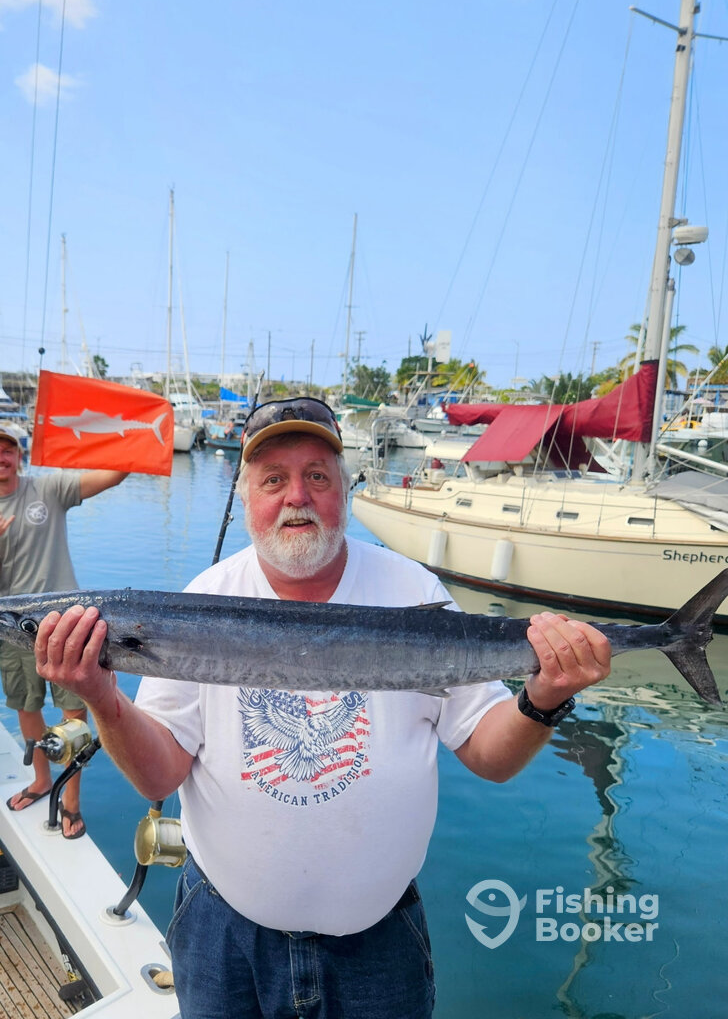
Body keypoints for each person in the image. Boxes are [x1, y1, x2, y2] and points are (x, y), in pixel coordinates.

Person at [33, 397, 612, 1015]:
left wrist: (544, 696)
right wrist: (99, 694)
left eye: (316, 476)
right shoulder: (205, 597)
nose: (296, 497)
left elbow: (490, 757)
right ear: (248, 494)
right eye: (274, 480)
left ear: (345, 487)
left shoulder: (414, 591)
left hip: (378, 947)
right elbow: (159, 774)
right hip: (223, 938)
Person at [0, 422, 128, 839]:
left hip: (70, 623)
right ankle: (40, 780)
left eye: (7, 450)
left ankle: (71, 801)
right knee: (27, 708)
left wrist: (127, 442)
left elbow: (111, 476)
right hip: (16, 628)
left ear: (19, 455)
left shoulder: (48, 491)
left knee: (74, 713)